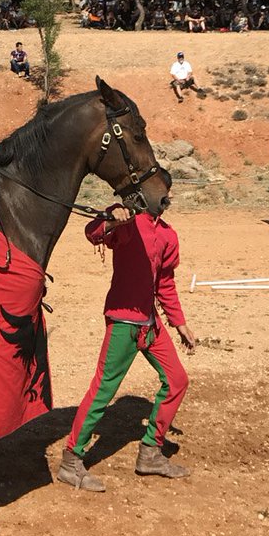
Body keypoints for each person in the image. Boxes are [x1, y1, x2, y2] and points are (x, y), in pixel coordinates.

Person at [57, 199, 196, 491]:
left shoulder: (169, 234)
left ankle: (150, 453)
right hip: (123, 322)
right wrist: (113, 220)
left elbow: (165, 284)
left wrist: (179, 323)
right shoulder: (128, 220)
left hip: (150, 323)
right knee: (104, 389)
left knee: (176, 381)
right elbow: (93, 231)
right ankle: (72, 460)